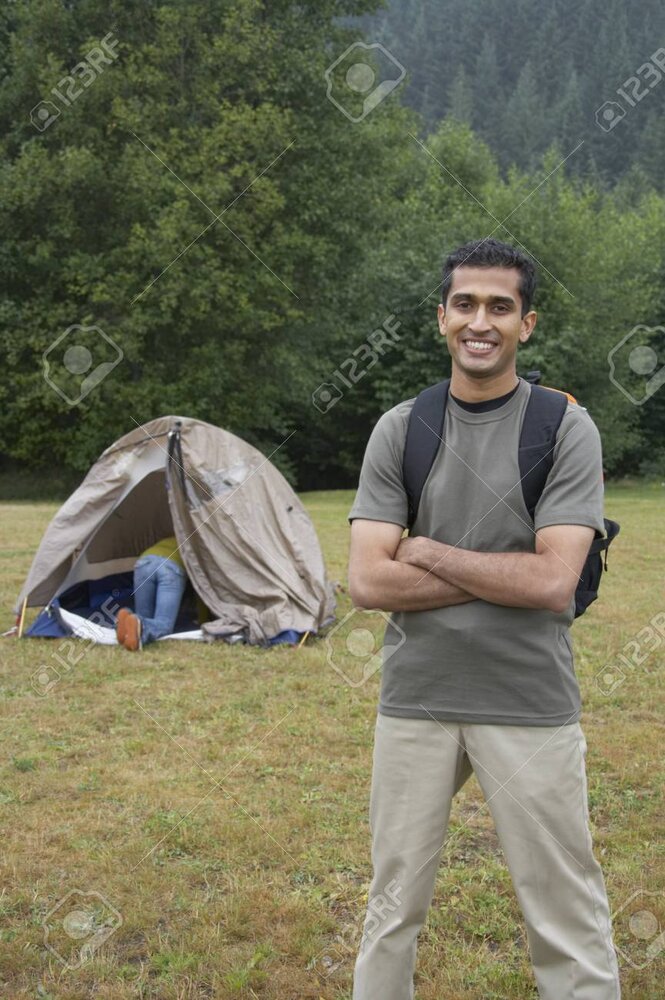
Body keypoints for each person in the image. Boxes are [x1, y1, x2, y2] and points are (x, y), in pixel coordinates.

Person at [348, 239, 621, 1000]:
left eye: (499, 307)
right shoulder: (401, 428)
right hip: (416, 699)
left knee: (563, 911)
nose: (480, 321)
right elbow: (368, 580)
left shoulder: (564, 427)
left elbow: (552, 584)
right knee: (390, 906)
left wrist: (429, 550)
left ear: (525, 324)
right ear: (441, 318)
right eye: (464, 304)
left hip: (528, 702)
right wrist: (505, 571)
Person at [116, 536, 187, 651]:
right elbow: (202, 585)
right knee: (164, 623)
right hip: (170, 567)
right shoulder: (196, 545)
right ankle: (140, 625)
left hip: (144, 562)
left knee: (142, 617)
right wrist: (202, 620)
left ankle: (127, 617)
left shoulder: (170, 539)